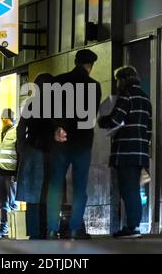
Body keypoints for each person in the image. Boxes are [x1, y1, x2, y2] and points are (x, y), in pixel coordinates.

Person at [46, 49, 102, 240]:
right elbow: (90, 115)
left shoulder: (58, 81)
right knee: (79, 187)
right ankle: (75, 228)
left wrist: (57, 128)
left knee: (55, 185)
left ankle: (52, 229)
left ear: (76, 62)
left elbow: (49, 111)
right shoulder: (94, 86)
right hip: (82, 143)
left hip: (61, 141)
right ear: (90, 66)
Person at [98, 66, 152, 238]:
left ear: (122, 80)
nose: (117, 84)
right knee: (134, 189)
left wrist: (102, 121)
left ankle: (132, 227)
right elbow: (148, 129)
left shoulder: (127, 95)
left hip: (126, 151)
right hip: (140, 151)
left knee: (128, 190)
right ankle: (134, 225)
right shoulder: (145, 98)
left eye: (117, 81)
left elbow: (116, 119)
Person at [16, 73, 54, 239]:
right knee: (48, 193)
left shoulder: (30, 104)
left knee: (32, 194)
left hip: (32, 151)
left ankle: (34, 231)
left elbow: (21, 127)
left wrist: (22, 146)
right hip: (51, 152)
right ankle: (46, 229)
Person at [0, 108, 18, 239]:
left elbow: (19, 153)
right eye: (2, 118)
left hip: (11, 171)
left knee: (13, 202)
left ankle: (17, 228)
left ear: (11, 119)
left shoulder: (17, 132)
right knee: (2, 203)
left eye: (5, 118)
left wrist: (17, 172)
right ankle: (3, 229)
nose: (2, 120)